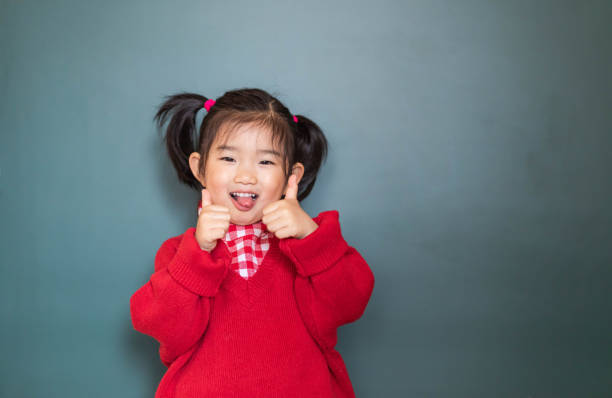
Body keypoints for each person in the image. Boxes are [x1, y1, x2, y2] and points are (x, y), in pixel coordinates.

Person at [129, 88, 375, 397]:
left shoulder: (307, 247)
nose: (246, 176)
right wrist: (199, 252)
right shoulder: (178, 254)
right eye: (229, 158)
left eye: (266, 162)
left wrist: (311, 237)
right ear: (199, 168)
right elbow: (159, 325)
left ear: (291, 176)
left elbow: (350, 303)